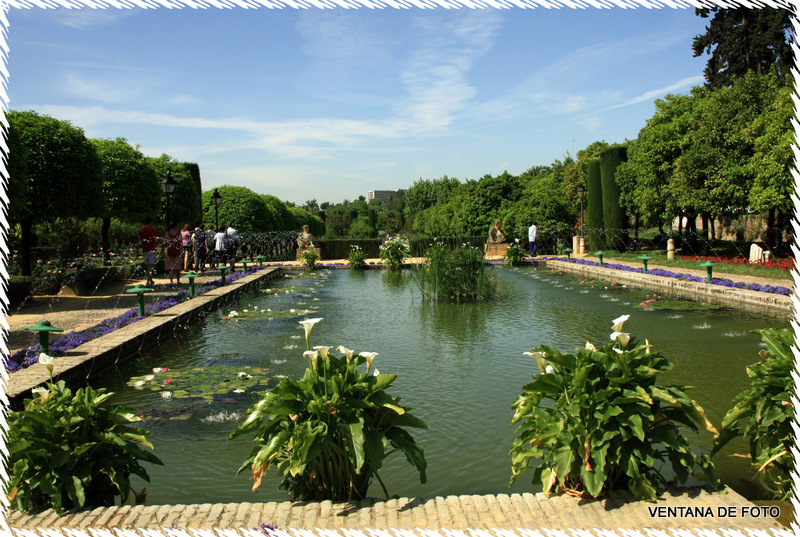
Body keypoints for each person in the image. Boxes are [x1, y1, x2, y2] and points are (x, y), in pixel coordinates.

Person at [138, 217, 159, 287]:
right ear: (150, 222)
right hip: (152, 250)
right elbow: (157, 239)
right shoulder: (153, 230)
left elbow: (139, 241)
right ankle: (148, 281)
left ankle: (150, 279)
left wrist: (137, 251)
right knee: (150, 266)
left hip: (145, 250)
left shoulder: (141, 230)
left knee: (148, 266)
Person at [161, 222, 182, 286]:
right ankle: (178, 281)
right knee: (178, 267)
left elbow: (164, 243)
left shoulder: (167, 233)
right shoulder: (178, 233)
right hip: (177, 252)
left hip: (169, 252)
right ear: (175, 226)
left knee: (170, 268)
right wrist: (181, 251)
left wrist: (163, 250)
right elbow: (180, 242)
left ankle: (171, 281)